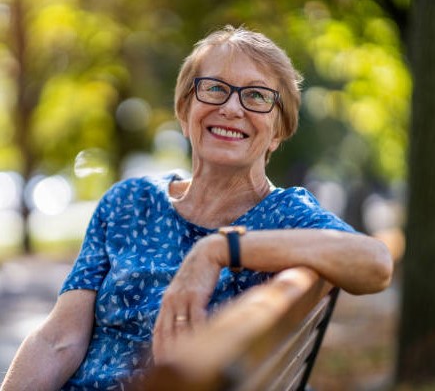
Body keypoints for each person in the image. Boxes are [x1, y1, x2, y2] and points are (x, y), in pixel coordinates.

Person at [1, 25, 393, 390]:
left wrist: (220, 250)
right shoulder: (129, 202)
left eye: (256, 96)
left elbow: (376, 262)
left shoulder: (284, 215)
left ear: (278, 130)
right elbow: (58, 339)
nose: (232, 108)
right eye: (214, 89)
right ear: (185, 111)